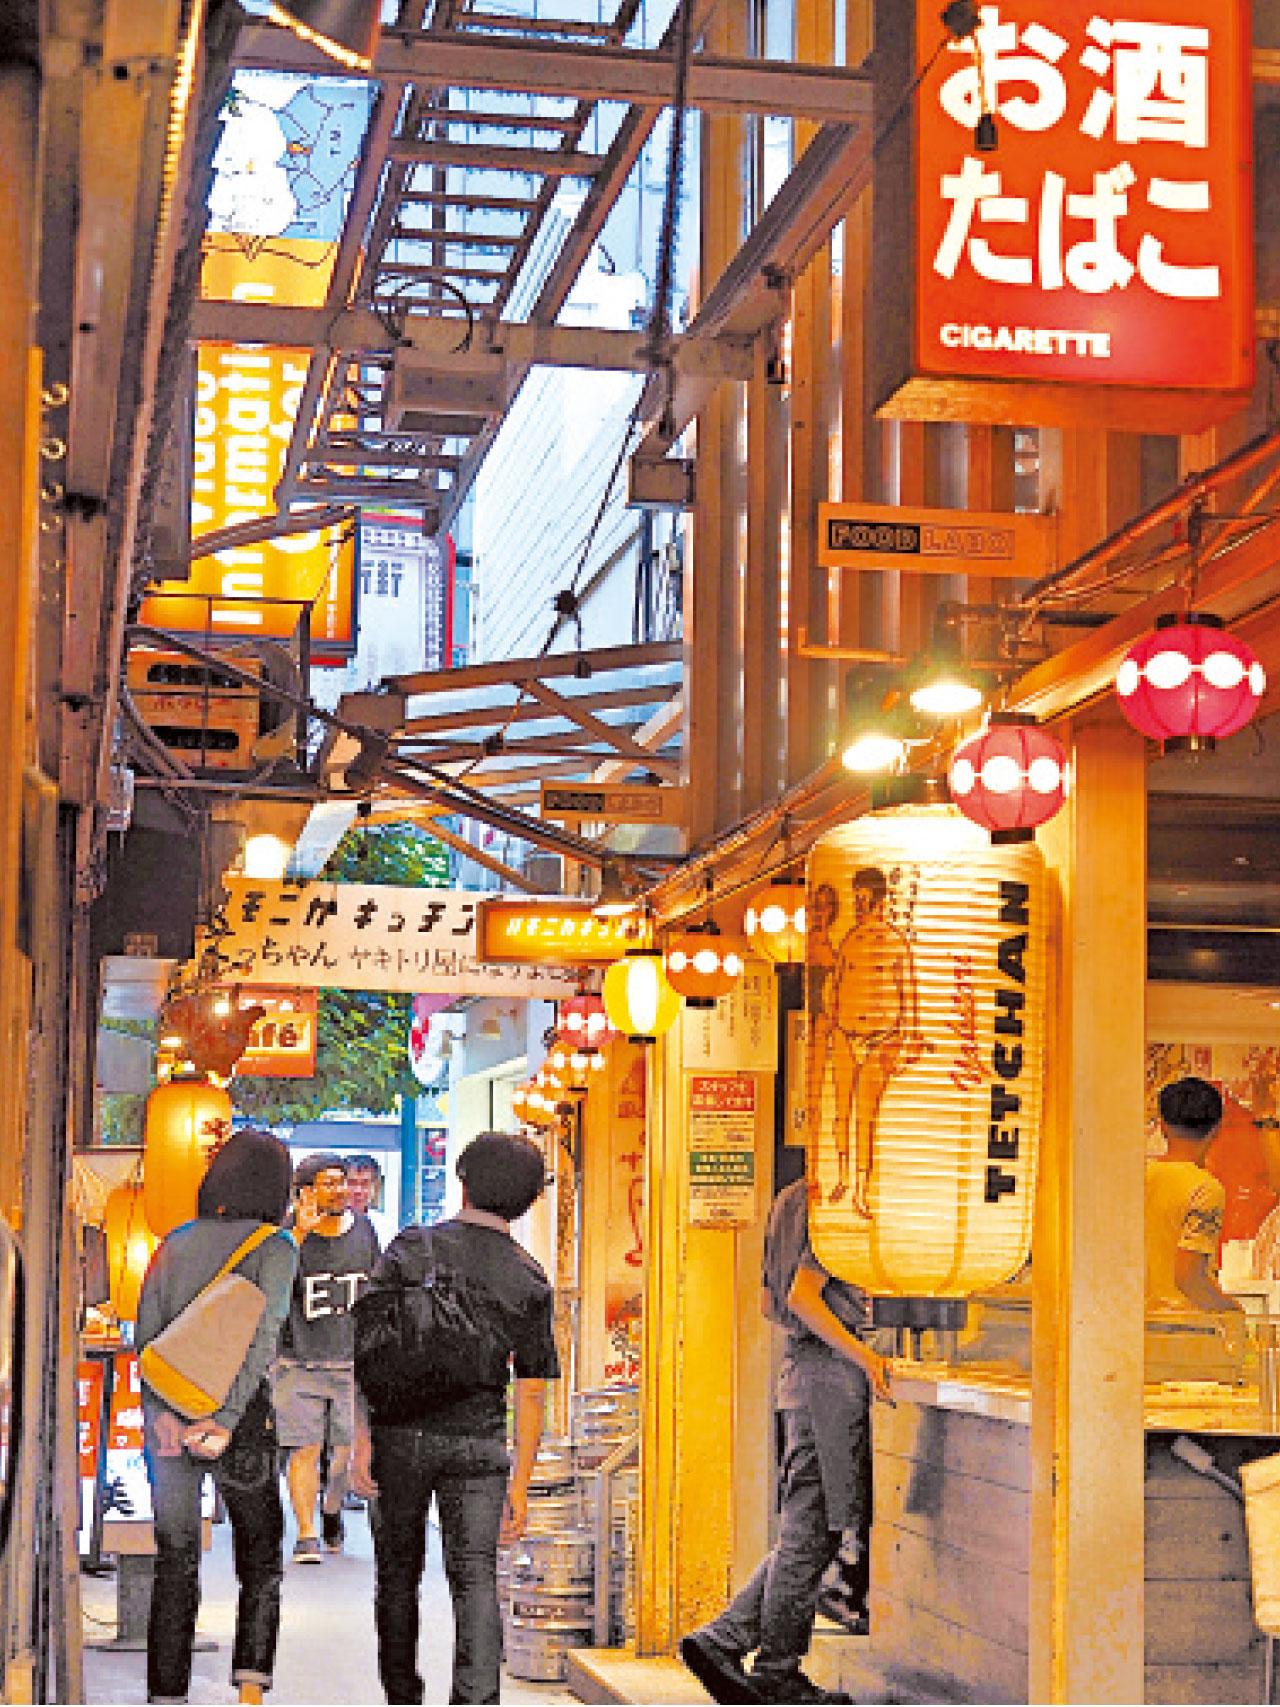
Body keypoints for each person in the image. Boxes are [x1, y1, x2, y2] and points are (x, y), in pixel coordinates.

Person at [351, 1131, 560, 1706]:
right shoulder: (529, 1277)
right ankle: (475, 1700)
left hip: (399, 1438)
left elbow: (366, 1344)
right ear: (526, 1201)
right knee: (475, 1583)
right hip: (479, 1445)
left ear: (462, 1179)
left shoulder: (411, 1247)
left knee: (397, 1577)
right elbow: (534, 1391)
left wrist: (362, 1438)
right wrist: (519, 1481)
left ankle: (402, 1694)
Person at [679, 1177, 894, 1706]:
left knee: (808, 1529)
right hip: (832, 1381)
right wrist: (864, 1355)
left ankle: (724, 1641)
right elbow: (801, 1296)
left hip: (801, 1375)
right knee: (813, 1530)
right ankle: (774, 1669)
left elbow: (769, 1304)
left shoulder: (788, 1199)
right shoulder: (837, 1200)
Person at [137, 1128, 298, 1707]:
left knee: (175, 1558)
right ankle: (249, 1691)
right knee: (259, 1558)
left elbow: (148, 1337)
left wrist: (159, 1414)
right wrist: (227, 1417)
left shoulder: (173, 1243)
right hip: (241, 1418)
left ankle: (166, 1695)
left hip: (169, 1416)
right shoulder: (275, 1247)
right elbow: (263, 1336)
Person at [273, 1152, 380, 1562]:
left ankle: (331, 1508)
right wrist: (299, 1233)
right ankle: (305, 1532)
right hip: (299, 1358)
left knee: (342, 1457)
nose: (339, 1190)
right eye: (328, 1183)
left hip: (351, 1361)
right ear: (306, 1191)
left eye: (342, 1181)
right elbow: (271, 1282)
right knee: (305, 1448)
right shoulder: (289, 1235)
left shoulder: (365, 1231)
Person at [827, 867, 921, 1217]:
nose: (860, 907)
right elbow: (836, 986)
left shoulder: (896, 943)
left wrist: (910, 1037)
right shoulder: (850, 940)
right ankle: (840, 1176)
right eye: (856, 901)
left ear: (880, 902)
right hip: (845, 1034)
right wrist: (832, 1024)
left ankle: (862, 1190)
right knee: (841, 1111)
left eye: (865, 901)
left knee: (866, 1115)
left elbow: (909, 994)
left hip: (881, 1038)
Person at [1146, 1075, 1244, 1318]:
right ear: (1216, 1129)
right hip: (1185, 1332)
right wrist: (1232, 1310)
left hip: (1135, 1328)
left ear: (1162, 1126)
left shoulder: (1137, 1178)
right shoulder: (1205, 1188)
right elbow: (1188, 1277)